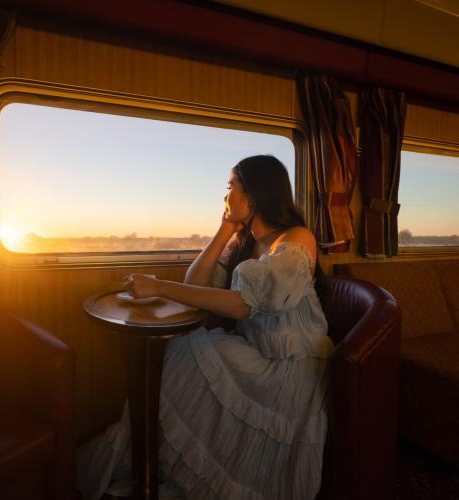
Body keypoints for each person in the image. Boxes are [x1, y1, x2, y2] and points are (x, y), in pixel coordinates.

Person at [77, 155, 333, 500]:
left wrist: (159, 287)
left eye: (230, 187)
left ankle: (150, 459)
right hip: (259, 355)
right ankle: (146, 458)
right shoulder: (246, 242)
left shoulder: (297, 238)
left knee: (187, 349)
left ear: (254, 194)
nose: (224, 197)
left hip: (289, 368)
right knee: (182, 350)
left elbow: (243, 303)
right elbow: (195, 283)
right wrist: (225, 229)